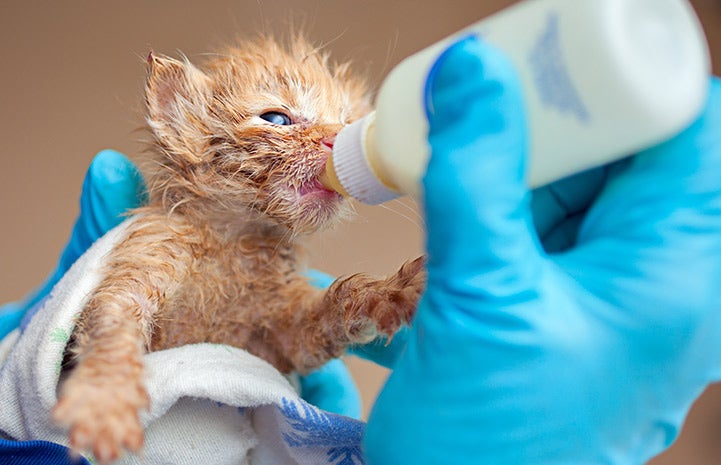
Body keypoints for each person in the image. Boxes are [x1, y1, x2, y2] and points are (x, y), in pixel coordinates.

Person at [1, 34, 720, 464]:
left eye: (342, 130)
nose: (323, 146)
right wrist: (107, 375)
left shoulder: (274, 264)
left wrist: (368, 303)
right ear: (178, 120)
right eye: (278, 118)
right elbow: (122, 306)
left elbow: (295, 334)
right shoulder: (172, 235)